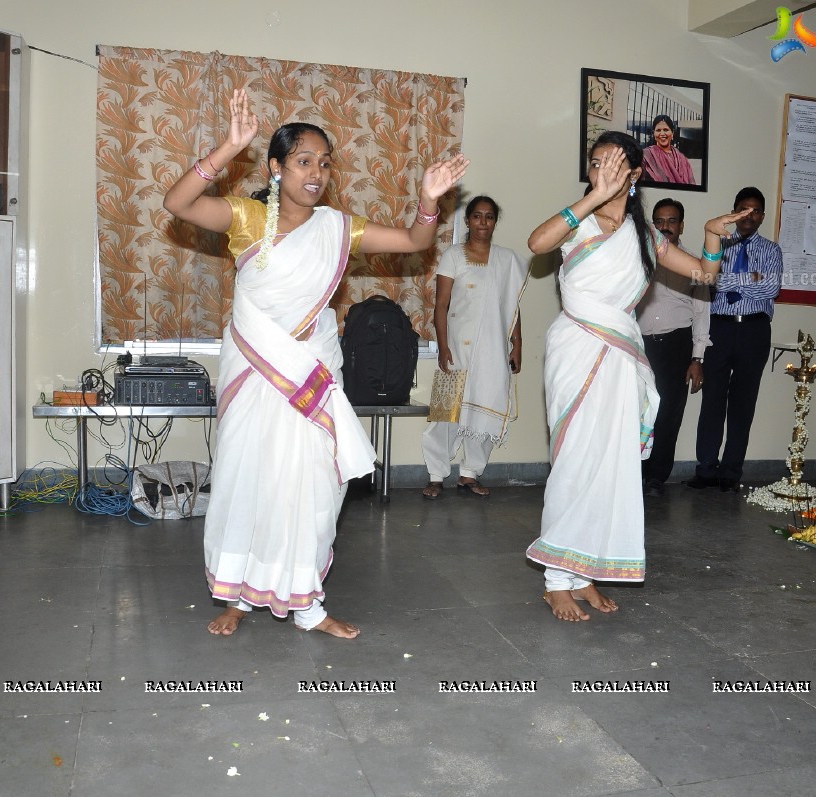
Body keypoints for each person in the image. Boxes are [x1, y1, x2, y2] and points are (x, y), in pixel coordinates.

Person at [163, 89, 468, 638]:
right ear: (276, 167)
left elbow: (414, 241)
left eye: (325, 163)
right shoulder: (248, 218)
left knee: (314, 487)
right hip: (256, 374)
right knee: (247, 479)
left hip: (312, 369)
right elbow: (177, 204)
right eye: (304, 161)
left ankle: (308, 603)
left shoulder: (338, 228)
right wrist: (229, 149)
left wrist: (429, 198)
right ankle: (236, 595)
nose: (317, 173)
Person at [524, 131, 749, 623]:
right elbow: (536, 243)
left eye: (615, 163)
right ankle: (555, 580)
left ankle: (582, 573)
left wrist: (711, 235)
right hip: (578, 347)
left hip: (621, 355)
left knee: (609, 463)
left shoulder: (646, 237)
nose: (603, 169)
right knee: (574, 459)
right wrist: (593, 198)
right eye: (596, 162)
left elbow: (705, 276)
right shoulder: (578, 218)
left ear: (635, 174)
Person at [421, 196, 528, 499]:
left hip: (493, 350)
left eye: (489, 217)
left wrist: (516, 344)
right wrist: (442, 347)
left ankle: (470, 474)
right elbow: (440, 306)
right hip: (456, 346)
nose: (483, 222)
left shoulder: (506, 260)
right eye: (477, 216)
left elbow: (513, 308)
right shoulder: (453, 256)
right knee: (446, 414)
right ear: (467, 221)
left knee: (485, 409)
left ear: (495, 222)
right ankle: (435, 474)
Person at [687, 186, 783, 493]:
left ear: (762, 216)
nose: (749, 216)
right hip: (720, 328)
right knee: (712, 401)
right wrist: (752, 278)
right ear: (733, 211)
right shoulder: (718, 244)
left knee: (743, 404)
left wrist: (730, 281)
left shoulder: (771, 250)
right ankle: (705, 469)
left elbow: (771, 290)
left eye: (755, 211)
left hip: (754, 330)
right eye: (743, 209)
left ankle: (731, 472)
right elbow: (704, 279)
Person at [637, 198, 710, 497]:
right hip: (639, 345)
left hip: (676, 345)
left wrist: (697, 359)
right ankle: (634, 474)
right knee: (636, 412)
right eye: (659, 221)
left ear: (681, 225)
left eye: (671, 221)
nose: (665, 227)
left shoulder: (694, 265)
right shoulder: (637, 258)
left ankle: (656, 477)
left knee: (667, 413)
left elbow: (702, 314)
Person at [641, 115, 697, 186]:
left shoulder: (682, 159)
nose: (662, 134)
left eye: (666, 130)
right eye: (658, 130)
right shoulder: (646, 155)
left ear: (672, 133)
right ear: (654, 133)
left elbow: (692, 184)